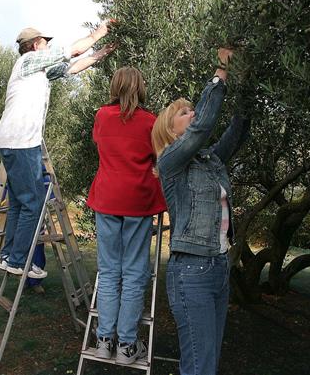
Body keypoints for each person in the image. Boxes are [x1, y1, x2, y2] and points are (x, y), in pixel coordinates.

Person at [151, 48, 251, 375]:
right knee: (199, 367)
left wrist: (247, 85)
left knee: (206, 363)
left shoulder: (209, 161)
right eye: (183, 112)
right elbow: (203, 127)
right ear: (170, 131)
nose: (191, 113)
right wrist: (221, 70)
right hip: (191, 272)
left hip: (219, 267)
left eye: (192, 109)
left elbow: (236, 133)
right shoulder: (171, 163)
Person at [0, 21, 115, 277]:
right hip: (21, 142)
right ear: (36, 45)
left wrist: (101, 54)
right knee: (34, 203)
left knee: (18, 202)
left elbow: (71, 67)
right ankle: (18, 261)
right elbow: (71, 51)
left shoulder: (39, 72)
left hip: (12, 141)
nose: (48, 47)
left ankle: (8, 255)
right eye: (45, 44)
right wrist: (99, 32)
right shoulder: (27, 62)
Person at [87, 67, 167, 364]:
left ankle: (104, 341)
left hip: (107, 197)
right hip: (137, 200)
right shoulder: (151, 121)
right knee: (134, 272)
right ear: (140, 88)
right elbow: (160, 156)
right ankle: (127, 346)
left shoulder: (101, 116)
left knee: (108, 272)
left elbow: (102, 146)